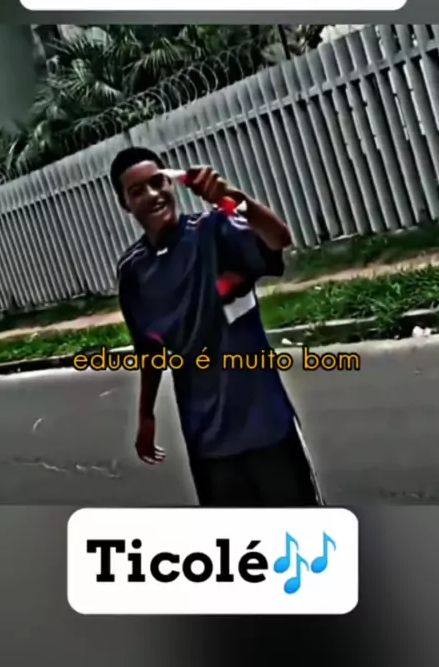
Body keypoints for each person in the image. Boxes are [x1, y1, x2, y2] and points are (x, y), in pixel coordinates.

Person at [110, 145, 323, 506]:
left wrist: (235, 199)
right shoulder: (134, 272)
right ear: (125, 204)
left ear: (172, 184)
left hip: (267, 426)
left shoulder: (214, 230)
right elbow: (150, 351)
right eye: (137, 191)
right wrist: (146, 416)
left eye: (158, 182)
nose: (153, 194)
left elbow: (279, 239)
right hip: (207, 443)